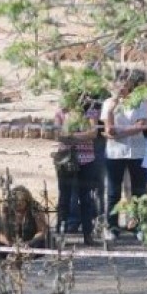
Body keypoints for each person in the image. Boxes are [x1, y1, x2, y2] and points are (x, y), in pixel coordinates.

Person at [101, 69, 147, 241]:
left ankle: (140, 225)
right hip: (115, 152)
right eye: (120, 82)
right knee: (113, 191)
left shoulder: (140, 102)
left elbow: (140, 125)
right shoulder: (108, 103)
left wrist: (120, 132)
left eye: (126, 82)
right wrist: (112, 108)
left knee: (139, 190)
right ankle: (112, 226)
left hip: (137, 151)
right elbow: (108, 129)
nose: (122, 85)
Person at [55, 89, 104, 245]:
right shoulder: (61, 113)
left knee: (86, 198)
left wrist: (72, 137)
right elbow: (58, 135)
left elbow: (93, 134)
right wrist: (78, 137)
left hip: (86, 159)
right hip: (66, 159)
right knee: (64, 197)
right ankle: (61, 234)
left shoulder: (90, 112)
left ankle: (87, 234)